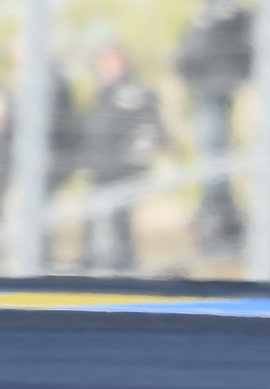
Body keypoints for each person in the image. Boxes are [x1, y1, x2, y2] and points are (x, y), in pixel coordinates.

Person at [80, 42, 168, 276]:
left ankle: (122, 269)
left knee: (119, 222)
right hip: (100, 170)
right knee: (93, 221)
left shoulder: (136, 92)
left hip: (123, 171)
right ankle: (91, 265)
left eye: (111, 61)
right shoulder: (103, 93)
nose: (107, 67)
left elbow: (152, 129)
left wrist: (134, 160)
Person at [176, 0, 254, 256]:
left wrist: (234, 77)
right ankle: (217, 223)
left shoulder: (230, 12)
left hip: (220, 91)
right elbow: (187, 55)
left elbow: (246, 50)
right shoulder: (204, 14)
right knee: (212, 163)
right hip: (208, 91)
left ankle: (222, 226)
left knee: (215, 162)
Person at [0, 39, 80, 266]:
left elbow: (52, 122)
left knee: (36, 218)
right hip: (22, 163)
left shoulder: (49, 81)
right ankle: (26, 261)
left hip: (42, 163)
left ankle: (35, 264)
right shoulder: (24, 81)